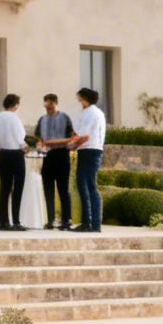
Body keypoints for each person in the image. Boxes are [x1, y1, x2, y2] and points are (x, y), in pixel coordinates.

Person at [37, 93, 77, 230]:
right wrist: (40, 145)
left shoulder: (65, 118)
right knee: (48, 190)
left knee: (63, 189)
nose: (47, 107)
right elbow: (39, 139)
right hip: (47, 156)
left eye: (49, 104)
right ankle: (50, 220)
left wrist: (57, 142)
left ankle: (66, 220)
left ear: (55, 103)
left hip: (62, 155)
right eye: (45, 104)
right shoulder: (42, 119)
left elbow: (73, 137)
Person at [0, 93, 28, 231]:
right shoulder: (15, 119)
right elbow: (21, 140)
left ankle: (3, 221)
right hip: (16, 155)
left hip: (3, 154)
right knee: (17, 189)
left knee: (4, 189)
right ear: (16, 105)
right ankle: (16, 221)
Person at [71, 86, 106, 233]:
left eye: (80, 99)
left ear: (85, 99)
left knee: (86, 185)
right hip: (90, 150)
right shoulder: (93, 112)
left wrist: (69, 145)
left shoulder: (91, 113)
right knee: (87, 185)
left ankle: (90, 222)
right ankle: (92, 222)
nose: (79, 101)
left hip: (89, 151)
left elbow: (83, 135)